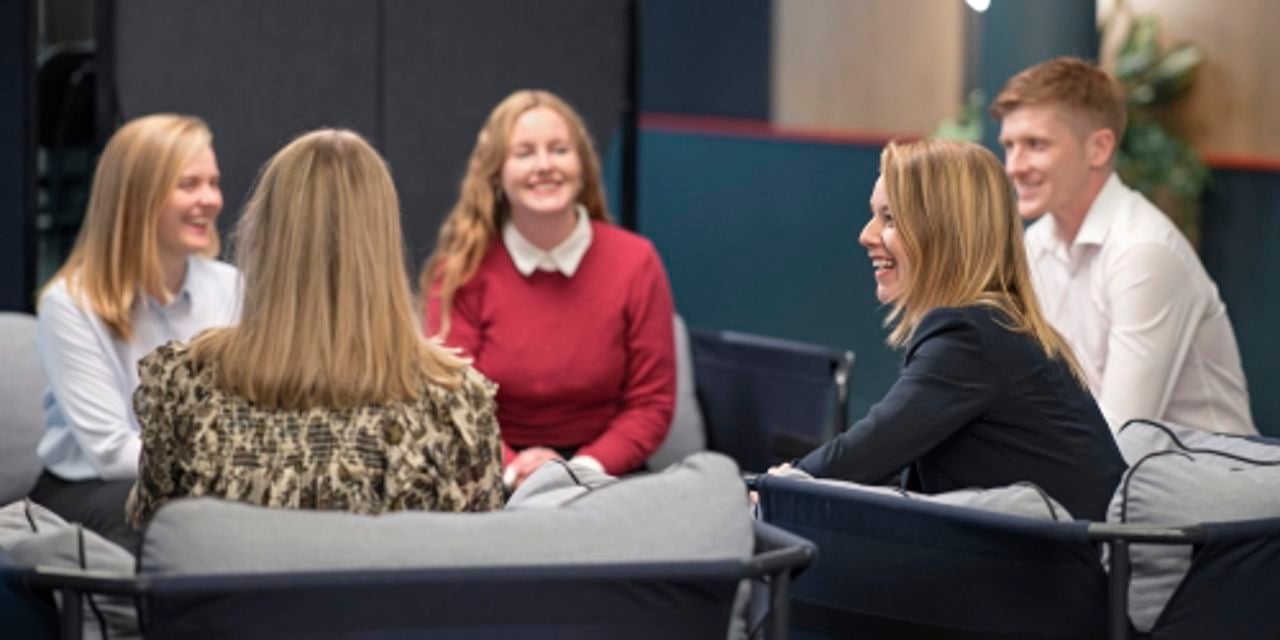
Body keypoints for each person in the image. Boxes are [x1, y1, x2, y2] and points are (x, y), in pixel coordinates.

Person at [126, 129, 505, 530]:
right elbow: (478, 561)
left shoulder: (187, 383)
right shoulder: (456, 400)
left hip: (234, 593)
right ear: (383, 240)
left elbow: (156, 537)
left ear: (262, 236)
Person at [782, 139, 1125, 521]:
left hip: (1051, 572)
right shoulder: (996, 325)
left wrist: (778, 485)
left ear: (943, 232)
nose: (867, 234)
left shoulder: (970, 336)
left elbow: (869, 451)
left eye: (890, 218)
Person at [421, 90, 675, 489]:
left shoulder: (637, 261)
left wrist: (581, 471)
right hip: (491, 476)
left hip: (606, 476)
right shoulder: (459, 271)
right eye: (524, 153)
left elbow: (651, 404)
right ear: (496, 173)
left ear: (582, 166)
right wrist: (515, 470)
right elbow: (450, 405)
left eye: (559, 150)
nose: (544, 166)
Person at [992, 56, 1255, 435]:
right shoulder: (1035, 244)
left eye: (1035, 144)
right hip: (1119, 476)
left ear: (1098, 148)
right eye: (1009, 145)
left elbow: (1121, 435)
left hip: (1206, 482)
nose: (1014, 166)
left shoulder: (1143, 251)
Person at [32, 114, 240, 549]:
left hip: (203, 477)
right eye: (189, 185)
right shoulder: (70, 304)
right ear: (139, 198)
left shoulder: (230, 286)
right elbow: (110, 451)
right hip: (92, 488)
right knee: (167, 518)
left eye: (213, 182)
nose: (211, 199)